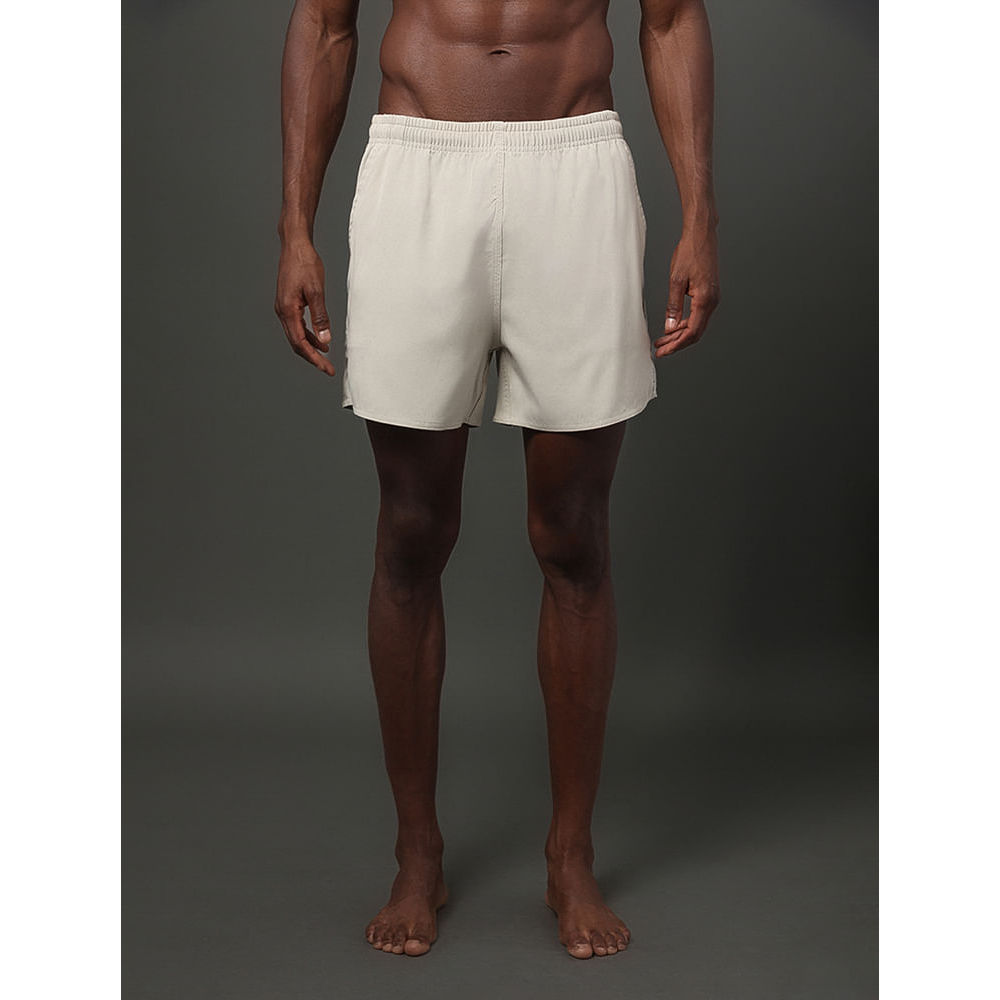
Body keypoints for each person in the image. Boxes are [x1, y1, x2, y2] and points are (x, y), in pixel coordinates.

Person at [275, 0, 720, 960]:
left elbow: (673, 20)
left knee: (573, 535)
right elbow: (324, 23)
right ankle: (417, 852)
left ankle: (571, 854)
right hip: (419, 164)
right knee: (410, 531)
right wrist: (294, 227)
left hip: (576, 166)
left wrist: (700, 215)